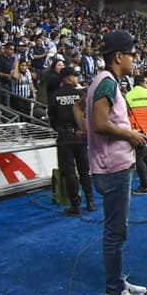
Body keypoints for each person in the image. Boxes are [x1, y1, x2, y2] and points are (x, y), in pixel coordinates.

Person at [84, 30, 147, 295]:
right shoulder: (107, 83)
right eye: (132, 54)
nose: (135, 60)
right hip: (112, 166)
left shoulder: (103, 82)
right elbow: (100, 123)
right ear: (119, 56)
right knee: (116, 232)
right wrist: (130, 135)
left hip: (110, 164)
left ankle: (118, 284)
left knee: (117, 230)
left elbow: (82, 111)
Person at [50, 66, 95, 216]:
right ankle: (90, 201)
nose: (77, 79)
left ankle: (75, 205)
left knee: (69, 173)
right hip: (80, 136)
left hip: (64, 138)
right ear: (69, 78)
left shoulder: (55, 96)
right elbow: (88, 114)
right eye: (75, 76)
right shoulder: (80, 94)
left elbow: (52, 119)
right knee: (84, 171)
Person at [123, 73, 147, 194]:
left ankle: (145, 186)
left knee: (140, 159)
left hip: (137, 131)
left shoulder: (128, 95)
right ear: (143, 82)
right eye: (146, 82)